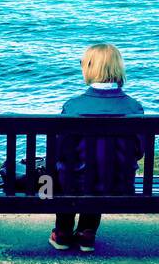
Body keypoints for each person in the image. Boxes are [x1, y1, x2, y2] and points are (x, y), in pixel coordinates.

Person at [50, 43, 144, 253]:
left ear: (90, 67)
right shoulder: (133, 107)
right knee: (103, 172)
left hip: (75, 185)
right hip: (118, 186)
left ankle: (63, 232)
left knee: (63, 173)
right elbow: (138, 150)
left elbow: (62, 151)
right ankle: (87, 232)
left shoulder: (73, 107)